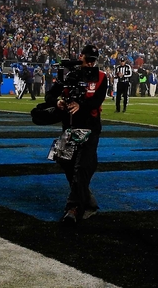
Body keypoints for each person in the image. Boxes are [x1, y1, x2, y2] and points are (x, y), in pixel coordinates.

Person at [48, 45, 108, 225]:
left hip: (90, 128)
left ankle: (72, 208)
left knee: (83, 167)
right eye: (87, 59)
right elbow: (50, 95)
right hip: (70, 127)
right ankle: (88, 202)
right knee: (67, 164)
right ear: (80, 57)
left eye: (93, 60)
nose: (90, 63)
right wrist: (57, 101)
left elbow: (98, 100)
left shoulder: (101, 77)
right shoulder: (68, 75)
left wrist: (81, 105)